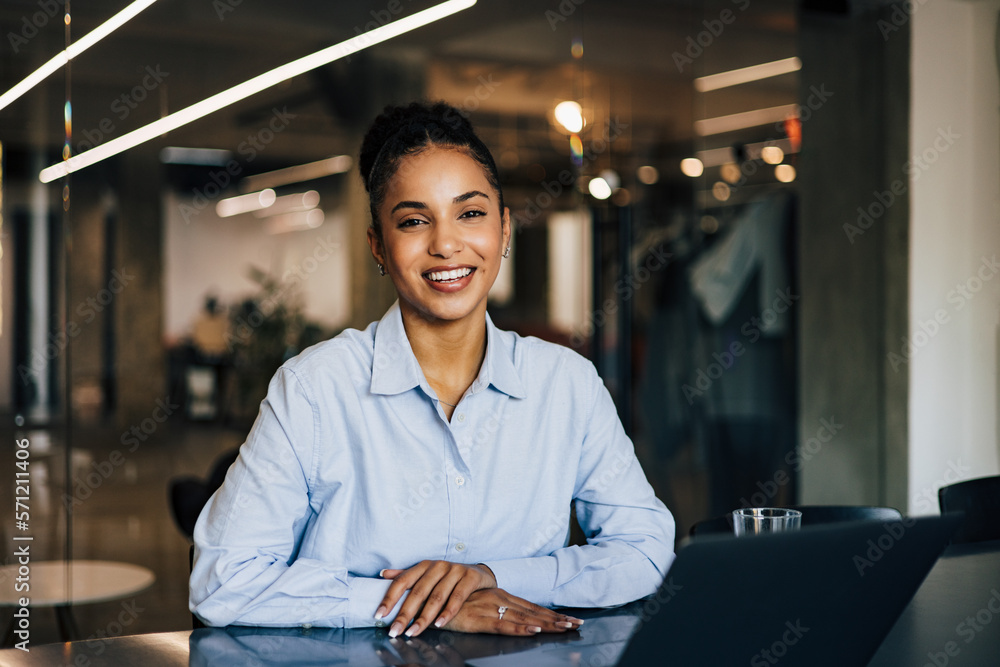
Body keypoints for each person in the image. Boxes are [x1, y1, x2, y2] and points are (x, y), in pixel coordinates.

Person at [190, 101, 675, 638]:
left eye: (470, 213)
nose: (446, 244)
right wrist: (418, 604)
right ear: (378, 245)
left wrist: (491, 580)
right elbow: (222, 581)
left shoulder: (567, 385)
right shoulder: (315, 389)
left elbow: (646, 551)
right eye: (414, 221)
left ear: (505, 229)